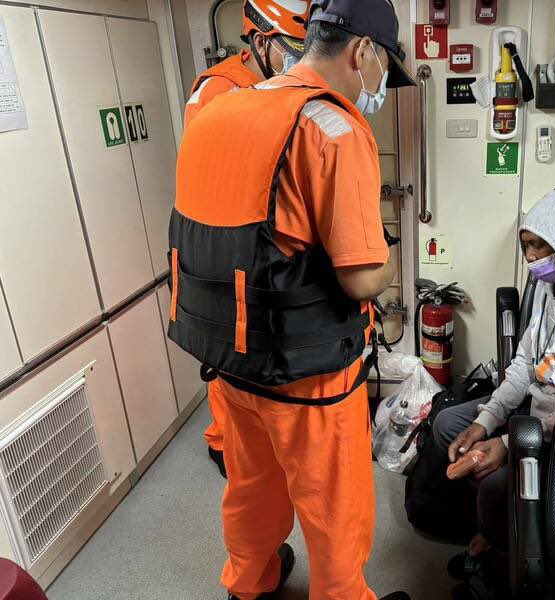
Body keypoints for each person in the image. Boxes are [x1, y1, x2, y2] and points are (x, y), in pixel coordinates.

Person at [169, 0, 416, 598]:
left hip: (230, 359)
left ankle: (247, 582)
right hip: (307, 375)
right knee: (336, 506)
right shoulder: (330, 126)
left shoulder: (218, 111)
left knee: (252, 486)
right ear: (363, 51)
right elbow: (359, 278)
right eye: (384, 68)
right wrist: (391, 263)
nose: (380, 84)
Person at [432, 189, 555, 589]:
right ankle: (500, 517)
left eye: (539, 246)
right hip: (534, 407)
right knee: (448, 425)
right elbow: (525, 363)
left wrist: (507, 442)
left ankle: (501, 532)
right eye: (526, 247)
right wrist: (486, 420)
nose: (530, 258)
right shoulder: (547, 291)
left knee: (493, 486)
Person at [183, 0, 313, 479]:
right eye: (293, 50)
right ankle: (225, 443)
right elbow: (215, 182)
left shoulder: (276, 87)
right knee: (232, 350)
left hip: (259, 243)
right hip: (227, 247)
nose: (301, 61)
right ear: (260, 42)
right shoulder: (220, 91)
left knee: (257, 344)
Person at [184, 0, 311, 129]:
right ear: (260, 43)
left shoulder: (287, 82)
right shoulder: (216, 91)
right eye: (294, 53)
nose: (302, 62)